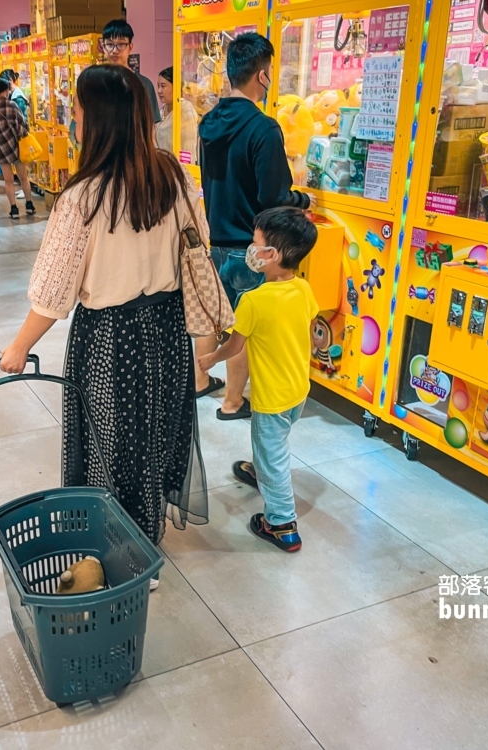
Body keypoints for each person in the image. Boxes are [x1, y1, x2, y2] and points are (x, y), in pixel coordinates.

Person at [0, 65, 208, 588]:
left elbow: (54, 292)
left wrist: (18, 348)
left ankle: (123, 557)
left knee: (107, 445)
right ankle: (145, 541)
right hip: (165, 331)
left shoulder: (83, 196)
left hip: (109, 338)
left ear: (98, 120)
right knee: (154, 435)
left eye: (78, 109)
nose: (73, 117)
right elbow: (196, 253)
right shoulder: (172, 176)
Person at [197, 32, 314, 420]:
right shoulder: (263, 128)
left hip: (217, 242)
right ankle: (233, 402)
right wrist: (303, 200)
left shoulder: (208, 122)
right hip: (252, 248)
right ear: (262, 76)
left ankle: (202, 382)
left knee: (222, 319)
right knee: (243, 331)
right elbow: (274, 197)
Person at [198, 207, 319, 552]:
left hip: (272, 399)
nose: (252, 249)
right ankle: (258, 468)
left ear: (273, 255)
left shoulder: (253, 300)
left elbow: (235, 346)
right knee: (272, 445)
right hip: (298, 390)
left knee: (274, 454)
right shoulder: (304, 289)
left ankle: (281, 525)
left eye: (256, 243)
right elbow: (309, 333)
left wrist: (209, 358)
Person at [0, 77, 34, 219]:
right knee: (23, 178)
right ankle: (29, 205)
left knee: (8, 181)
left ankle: (14, 209)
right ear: (5, 90)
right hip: (16, 148)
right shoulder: (11, 105)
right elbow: (22, 126)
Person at [102, 19, 160, 126]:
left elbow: (151, 126)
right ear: (103, 46)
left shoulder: (143, 84)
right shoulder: (97, 82)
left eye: (121, 44)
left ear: (130, 47)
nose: (115, 50)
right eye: (110, 44)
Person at [156, 66, 197, 158]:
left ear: (176, 86)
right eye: (158, 86)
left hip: (176, 169)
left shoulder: (185, 111)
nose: (159, 91)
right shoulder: (162, 111)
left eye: (163, 86)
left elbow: (188, 150)